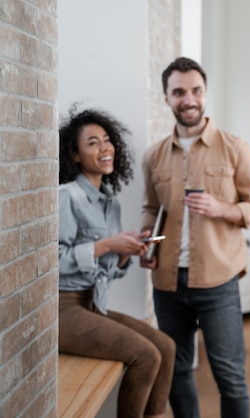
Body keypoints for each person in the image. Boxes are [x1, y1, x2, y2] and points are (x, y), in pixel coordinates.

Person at [140, 57, 250, 418]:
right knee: (178, 371)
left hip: (218, 281)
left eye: (196, 90)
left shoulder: (235, 148)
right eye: (178, 92)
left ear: (205, 94)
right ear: (166, 98)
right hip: (166, 283)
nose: (189, 99)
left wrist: (221, 208)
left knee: (229, 376)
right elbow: (151, 209)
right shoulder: (153, 157)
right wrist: (148, 242)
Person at [58, 108, 176, 418]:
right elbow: (52, 262)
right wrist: (108, 244)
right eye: (93, 143)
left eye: (107, 140)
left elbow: (103, 270)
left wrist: (123, 254)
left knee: (165, 346)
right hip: (61, 308)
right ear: (75, 154)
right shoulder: (67, 196)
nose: (105, 148)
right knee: (146, 355)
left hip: (92, 304)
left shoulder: (108, 200)